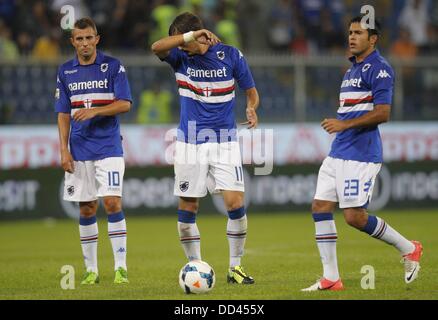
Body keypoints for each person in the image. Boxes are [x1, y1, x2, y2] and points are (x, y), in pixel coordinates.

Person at [302, 16, 423, 292]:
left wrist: (344, 124)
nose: (352, 37)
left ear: (373, 39)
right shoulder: (352, 70)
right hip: (338, 151)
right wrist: (342, 125)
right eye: (350, 32)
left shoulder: (380, 68)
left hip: (361, 154)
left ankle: (408, 248)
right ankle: (331, 278)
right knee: (320, 206)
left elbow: (383, 112)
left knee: (354, 217)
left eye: (358, 33)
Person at [151, 12, 260, 284]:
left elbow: (251, 90)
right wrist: (188, 38)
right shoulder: (180, 57)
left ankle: (235, 267)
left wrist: (251, 107)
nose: (178, 44)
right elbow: (156, 47)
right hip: (190, 142)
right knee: (188, 209)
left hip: (225, 141)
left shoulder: (231, 55)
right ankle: (195, 265)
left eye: (182, 39)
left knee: (235, 203)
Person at [55, 17, 132, 285]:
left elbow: (125, 104)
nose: (85, 43)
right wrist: (63, 151)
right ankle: (91, 270)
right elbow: (63, 114)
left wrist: (97, 110)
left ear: (97, 39)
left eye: (89, 38)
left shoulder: (112, 66)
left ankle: (121, 268)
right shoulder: (65, 71)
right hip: (79, 150)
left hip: (109, 146)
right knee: (87, 209)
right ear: (73, 42)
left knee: (112, 202)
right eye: (80, 39)